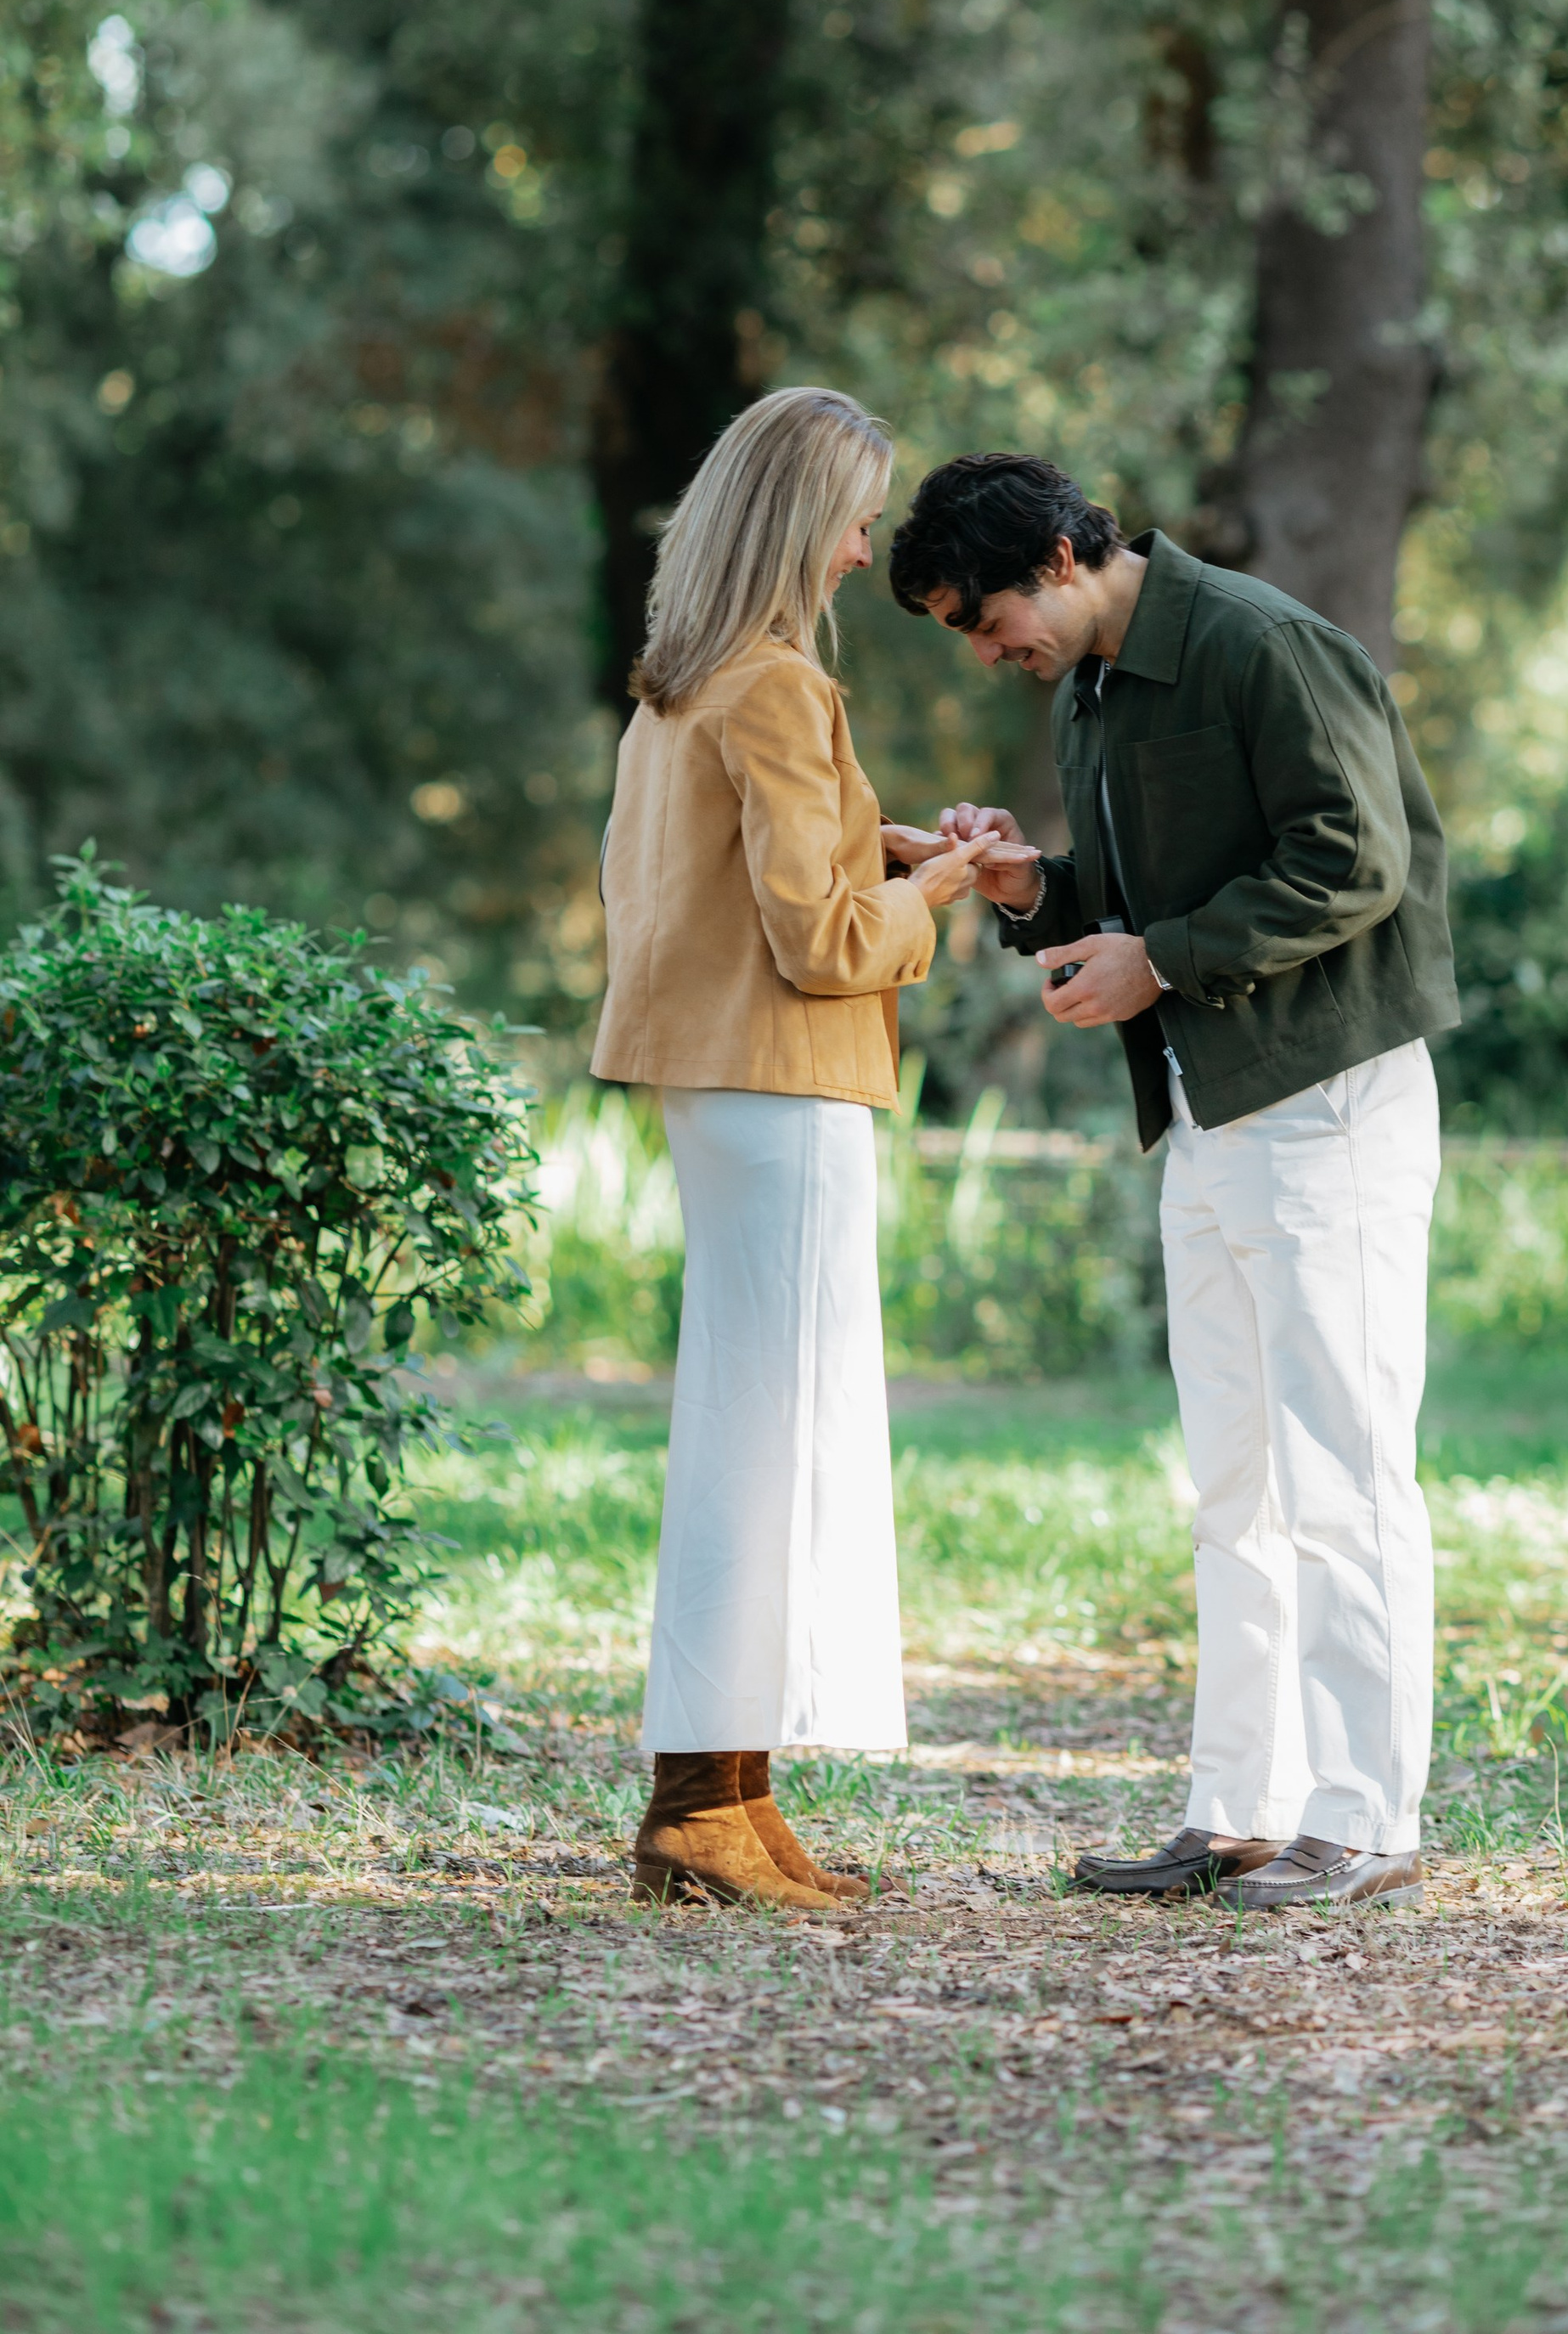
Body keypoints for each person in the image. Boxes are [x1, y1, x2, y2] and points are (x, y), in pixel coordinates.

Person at [886, 456, 1457, 1915]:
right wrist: (1028, 891)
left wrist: (1162, 959)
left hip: (1323, 1099)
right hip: (1205, 1114)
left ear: (1069, 554)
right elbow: (1136, 900)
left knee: (1344, 1469)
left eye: (989, 613)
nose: (987, 650)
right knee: (1234, 1485)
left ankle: (1367, 1817)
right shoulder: (1090, 688)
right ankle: (1241, 1810)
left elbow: (1356, 856)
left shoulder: (1261, 643)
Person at [592, 386, 989, 1913]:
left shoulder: (676, 689)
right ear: (795, 521)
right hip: (787, 1083)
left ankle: (733, 1798)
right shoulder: (772, 687)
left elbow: (711, 883)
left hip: (728, 1086)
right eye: (852, 520)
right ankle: (699, 1805)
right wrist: (938, 888)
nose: (860, 554)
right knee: (767, 1448)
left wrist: (889, 849)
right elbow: (824, 943)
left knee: (758, 1436)